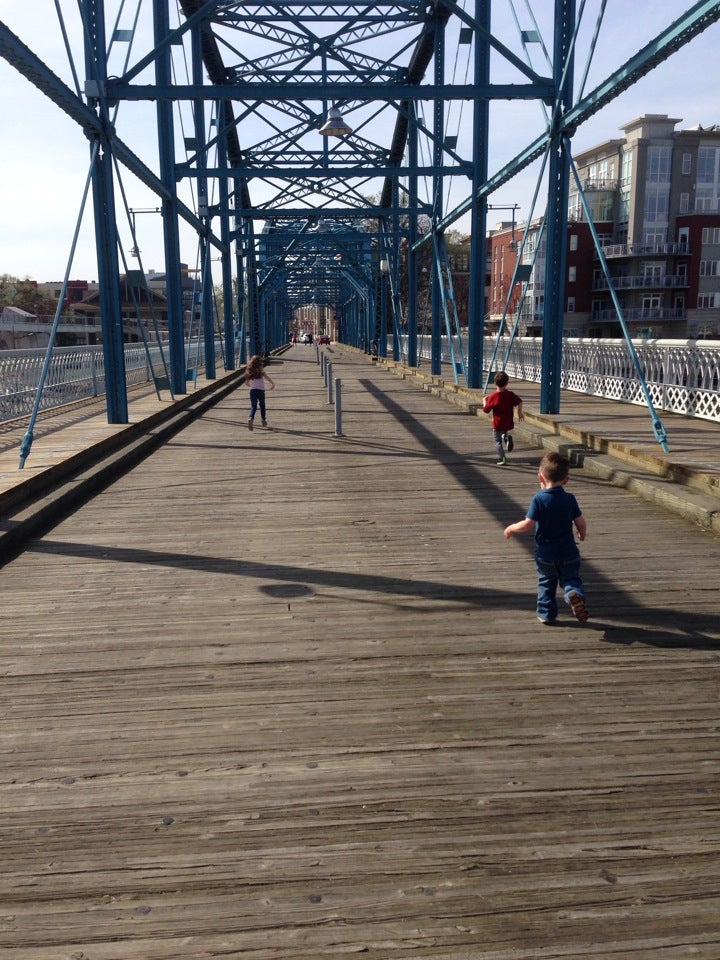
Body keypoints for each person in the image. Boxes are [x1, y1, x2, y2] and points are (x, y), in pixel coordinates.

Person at [503, 451, 589, 625]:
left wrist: (511, 527)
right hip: (569, 551)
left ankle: (546, 614)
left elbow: (528, 524)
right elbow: (580, 522)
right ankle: (574, 594)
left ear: (540, 477)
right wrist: (581, 533)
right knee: (571, 578)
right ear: (566, 479)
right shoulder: (569, 498)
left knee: (546, 583)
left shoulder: (539, 499)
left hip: (546, 554)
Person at [482, 371, 524, 465]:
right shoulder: (510, 394)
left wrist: (484, 400)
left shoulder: (493, 396)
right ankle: (506, 437)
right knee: (504, 432)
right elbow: (520, 401)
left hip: (497, 423)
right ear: (507, 383)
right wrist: (519, 412)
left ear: (495, 383)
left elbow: (486, 410)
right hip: (508, 422)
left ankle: (502, 459)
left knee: (498, 442)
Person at [245, 354, 275, 430]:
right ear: (260, 363)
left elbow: (247, 383)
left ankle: (251, 417)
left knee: (253, 406)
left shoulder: (250, 372)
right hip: (261, 391)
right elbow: (268, 378)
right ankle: (263, 419)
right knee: (262, 405)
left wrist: (251, 386)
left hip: (253, 391)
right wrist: (272, 384)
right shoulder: (261, 372)